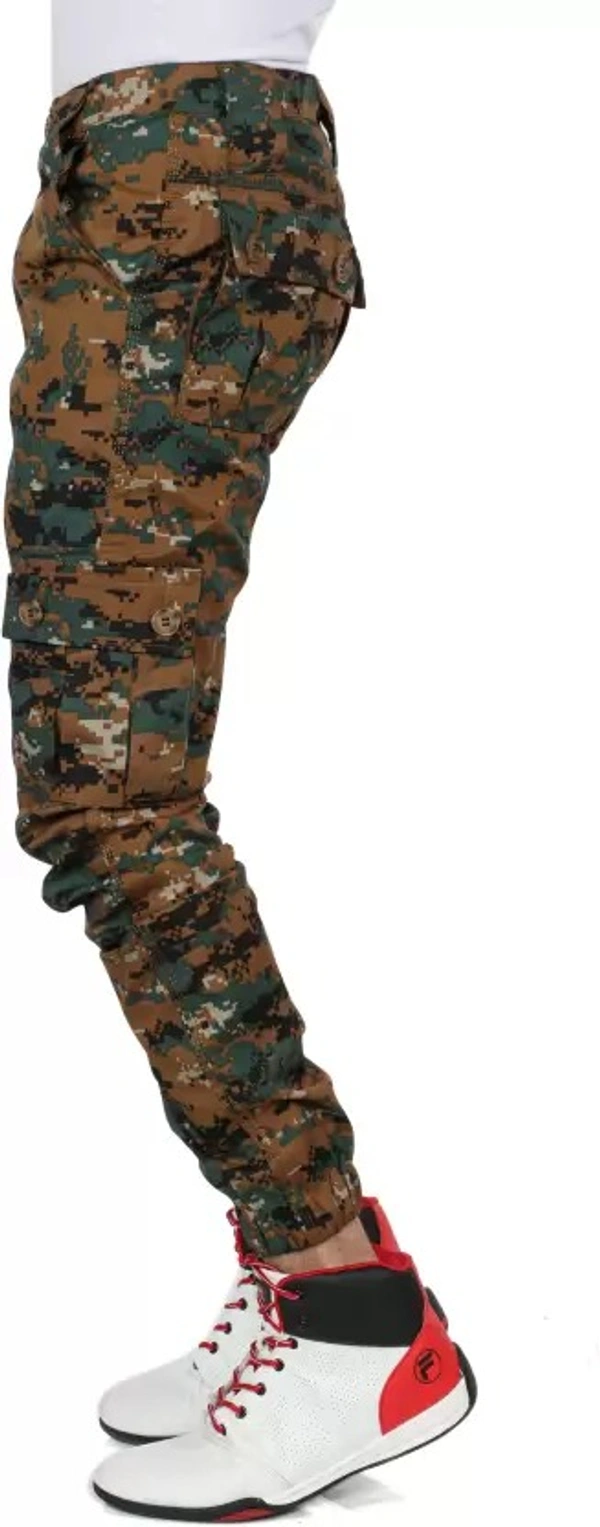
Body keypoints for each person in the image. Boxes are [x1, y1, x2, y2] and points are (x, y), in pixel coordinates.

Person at [3, 1, 476, 1516]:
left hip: (180, 171)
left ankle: (346, 1310)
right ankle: (313, 1269)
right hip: (161, 164)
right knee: (109, 775)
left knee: (108, 790)